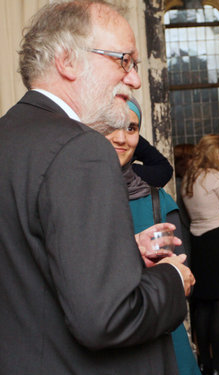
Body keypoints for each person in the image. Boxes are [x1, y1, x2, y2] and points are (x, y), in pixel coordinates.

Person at [0, 2, 194, 374]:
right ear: (67, 61)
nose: (135, 80)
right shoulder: (83, 148)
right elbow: (107, 319)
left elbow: (26, 270)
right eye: (124, 61)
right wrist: (171, 278)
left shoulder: (10, 137)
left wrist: (117, 256)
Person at [103, 98, 201, 375]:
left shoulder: (157, 200)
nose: (121, 138)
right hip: (103, 348)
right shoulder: (73, 198)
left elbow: (186, 281)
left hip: (160, 341)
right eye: (111, 126)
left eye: (131, 129)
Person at [182, 134, 219, 375]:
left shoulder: (188, 178)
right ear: (216, 153)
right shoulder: (214, 176)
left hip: (198, 241)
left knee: (202, 304)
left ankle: (204, 362)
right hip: (218, 240)